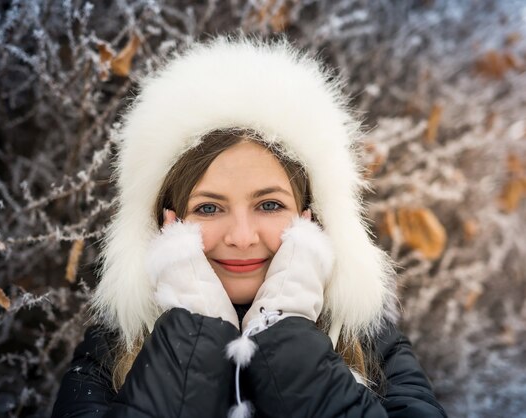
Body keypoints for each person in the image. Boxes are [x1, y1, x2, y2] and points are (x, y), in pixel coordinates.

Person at [52, 35, 447, 418]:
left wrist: (285, 334)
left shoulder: (373, 345)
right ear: (165, 222)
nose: (242, 238)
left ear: (312, 217)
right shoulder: (109, 353)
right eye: (208, 208)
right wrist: (193, 334)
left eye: (270, 204)